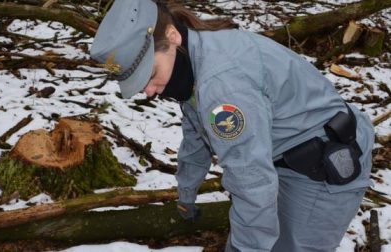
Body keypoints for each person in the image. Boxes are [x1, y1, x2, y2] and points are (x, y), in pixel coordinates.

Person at [90, 0, 375, 251]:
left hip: (324, 168)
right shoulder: (191, 58)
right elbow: (195, 133)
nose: (150, 91)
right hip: (288, 158)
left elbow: (251, 182)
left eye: (150, 75)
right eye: (141, 85)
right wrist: (186, 193)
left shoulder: (222, 85)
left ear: (172, 36)